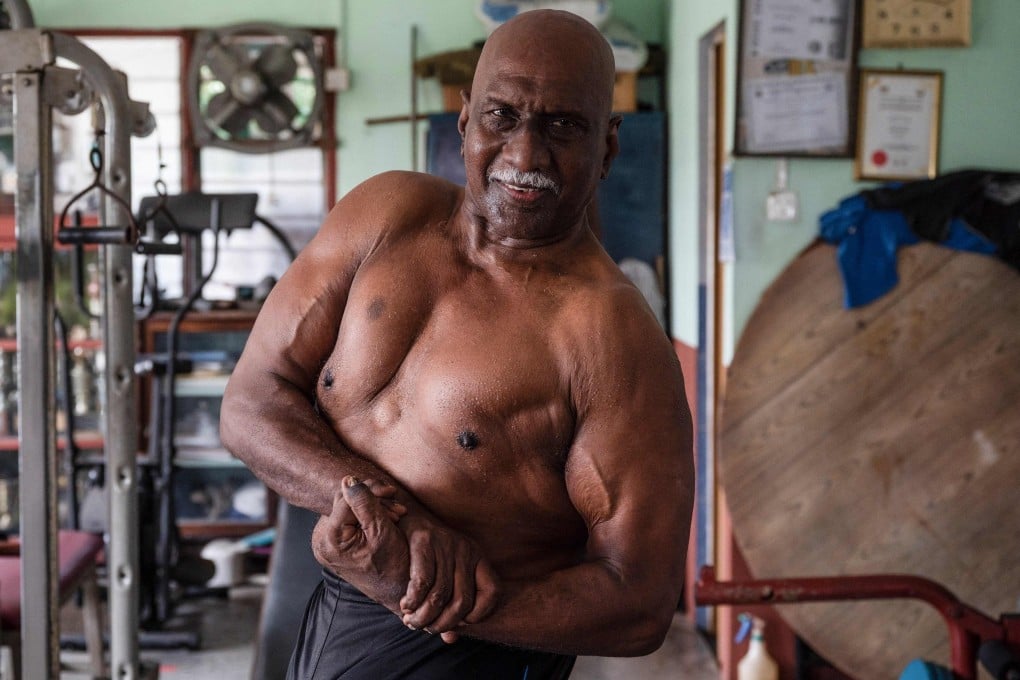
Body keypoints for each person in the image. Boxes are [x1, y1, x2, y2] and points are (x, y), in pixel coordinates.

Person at [220, 9, 694, 679]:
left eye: (563, 125)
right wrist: (393, 518)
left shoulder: (610, 337)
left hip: (470, 660)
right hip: (330, 618)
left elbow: (640, 602)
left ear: (608, 147)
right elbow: (248, 405)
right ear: (466, 118)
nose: (526, 155)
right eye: (504, 116)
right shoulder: (383, 216)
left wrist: (427, 595)